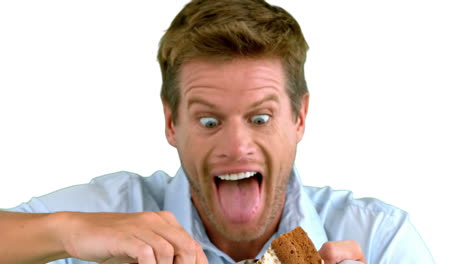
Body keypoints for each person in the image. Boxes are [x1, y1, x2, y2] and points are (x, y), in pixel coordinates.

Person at [0, 0, 434, 263]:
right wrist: (66, 233)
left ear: (299, 118)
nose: (236, 146)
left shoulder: (380, 238)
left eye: (260, 119)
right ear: (172, 123)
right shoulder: (115, 214)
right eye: (209, 121)